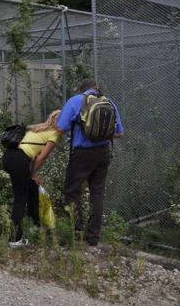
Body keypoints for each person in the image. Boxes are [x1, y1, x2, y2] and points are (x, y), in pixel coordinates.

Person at [57, 79, 124, 247]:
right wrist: (99, 135)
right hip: (103, 153)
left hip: (82, 154)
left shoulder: (74, 101)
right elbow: (119, 133)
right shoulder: (109, 102)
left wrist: (84, 130)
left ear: (81, 90)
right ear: (96, 89)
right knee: (97, 193)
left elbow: (60, 128)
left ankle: (76, 234)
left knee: (72, 191)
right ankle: (93, 238)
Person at [2, 110, 62, 246]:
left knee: (33, 190)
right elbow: (41, 157)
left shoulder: (37, 129)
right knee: (20, 199)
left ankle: (38, 229)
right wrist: (32, 172)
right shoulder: (55, 134)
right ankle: (14, 240)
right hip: (19, 160)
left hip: (10, 157)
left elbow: (31, 151)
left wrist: (33, 174)